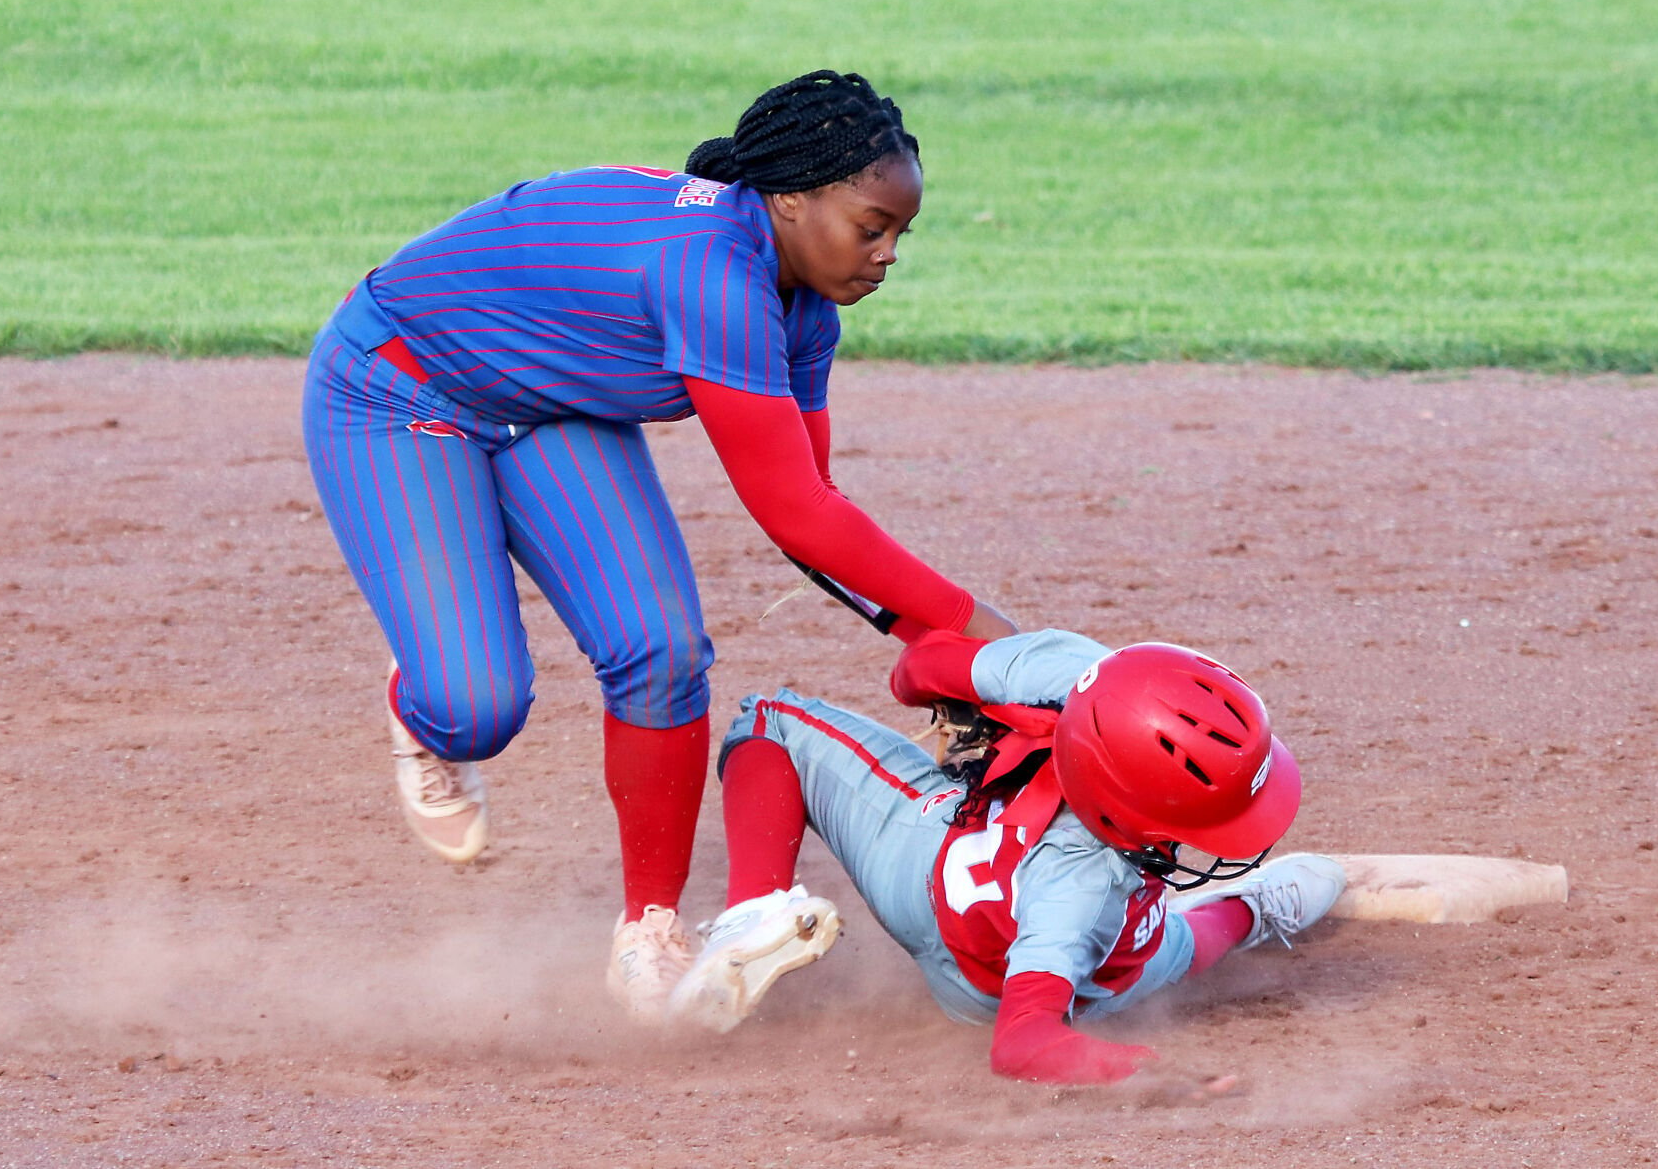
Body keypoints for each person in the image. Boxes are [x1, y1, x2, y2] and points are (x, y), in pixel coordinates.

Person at [300, 70, 1016, 1021]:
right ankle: (424, 694)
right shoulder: (711, 274)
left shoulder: (802, 303)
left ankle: (649, 930)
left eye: (899, 234)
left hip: (553, 406)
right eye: (870, 225)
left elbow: (815, 514)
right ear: (790, 198)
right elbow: (797, 515)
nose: (886, 254)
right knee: (475, 704)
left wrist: (942, 645)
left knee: (662, 653)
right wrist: (979, 634)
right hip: (397, 389)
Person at [666, 629, 1346, 1083]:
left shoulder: (1069, 665)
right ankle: (1253, 908)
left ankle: (755, 908)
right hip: (1090, 966)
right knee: (1172, 941)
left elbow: (916, 668)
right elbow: (1028, 1029)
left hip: (961, 924)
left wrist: (967, 703)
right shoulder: (1081, 880)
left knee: (770, 720)